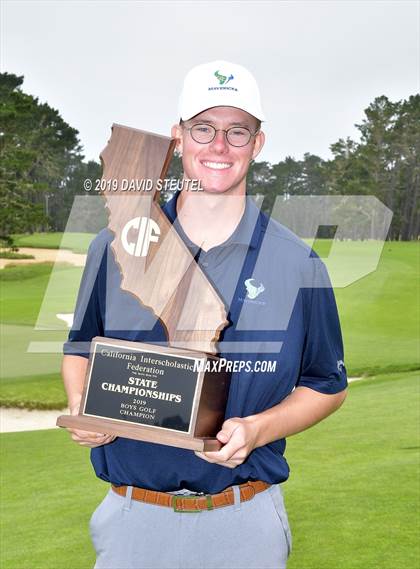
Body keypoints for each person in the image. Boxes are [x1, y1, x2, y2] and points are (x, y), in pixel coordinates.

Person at [62, 60, 348, 569]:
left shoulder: (298, 263)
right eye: (203, 128)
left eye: (237, 131)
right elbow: (80, 347)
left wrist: (258, 429)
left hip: (244, 519)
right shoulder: (114, 247)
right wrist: (82, 404)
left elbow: (327, 382)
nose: (219, 146)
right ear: (177, 137)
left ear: (257, 144)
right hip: (133, 519)